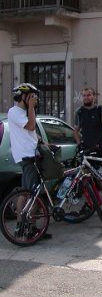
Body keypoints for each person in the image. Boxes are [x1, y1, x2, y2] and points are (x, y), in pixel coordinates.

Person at [8, 83, 51, 239]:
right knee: (30, 193)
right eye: (33, 97)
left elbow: (30, 133)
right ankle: (24, 227)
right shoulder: (15, 111)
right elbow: (31, 126)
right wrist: (32, 107)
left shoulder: (23, 112)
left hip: (31, 154)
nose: (35, 99)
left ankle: (26, 227)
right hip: (27, 157)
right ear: (24, 97)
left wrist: (42, 142)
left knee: (29, 192)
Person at [73, 87, 102, 215]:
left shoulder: (100, 110)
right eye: (84, 95)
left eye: (89, 95)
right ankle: (90, 203)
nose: (86, 97)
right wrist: (79, 144)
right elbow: (75, 131)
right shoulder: (79, 112)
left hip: (100, 149)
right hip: (86, 151)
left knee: (101, 177)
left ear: (94, 96)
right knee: (86, 178)